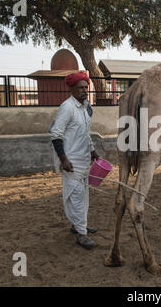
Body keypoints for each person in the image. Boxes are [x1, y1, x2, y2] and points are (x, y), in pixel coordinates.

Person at [49, 71, 99, 249]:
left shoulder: (85, 107)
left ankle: (78, 225)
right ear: (71, 89)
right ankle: (82, 234)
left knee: (82, 195)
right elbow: (55, 134)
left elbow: (85, 133)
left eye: (86, 87)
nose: (84, 90)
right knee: (76, 195)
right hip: (71, 161)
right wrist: (63, 159)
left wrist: (93, 152)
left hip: (84, 159)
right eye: (80, 88)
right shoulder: (67, 107)